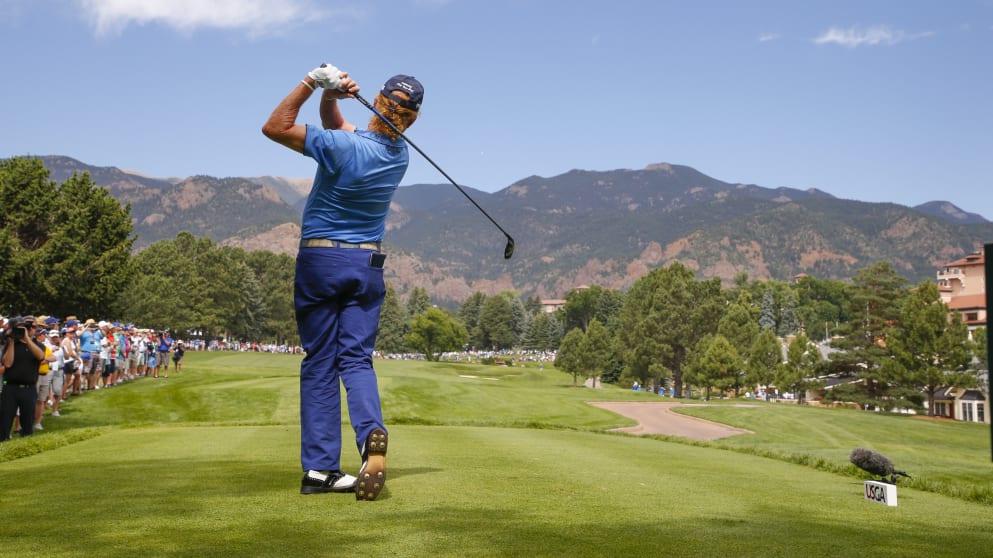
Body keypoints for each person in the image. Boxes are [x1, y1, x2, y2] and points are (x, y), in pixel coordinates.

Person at [262, 63, 423, 500]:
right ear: (412, 119)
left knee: (320, 361)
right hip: (366, 265)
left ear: (378, 102)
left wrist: (310, 82)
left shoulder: (342, 147)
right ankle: (370, 435)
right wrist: (332, 97)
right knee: (356, 360)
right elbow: (341, 129)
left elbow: (275, 127)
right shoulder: (399, 155)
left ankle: (320, 471)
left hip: (321, 262)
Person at [1, 317, 47, 440]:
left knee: (27, 420)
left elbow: (40, 357)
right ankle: (3, 441)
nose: (30, 329)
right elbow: (7, 363)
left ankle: (26, 442)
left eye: (32, 327)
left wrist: (27, 338)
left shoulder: (38, 345)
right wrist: (11, 342)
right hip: (10, 387)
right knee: (5, 418)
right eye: (26, 327)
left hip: (28, 388)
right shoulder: (11, 344)